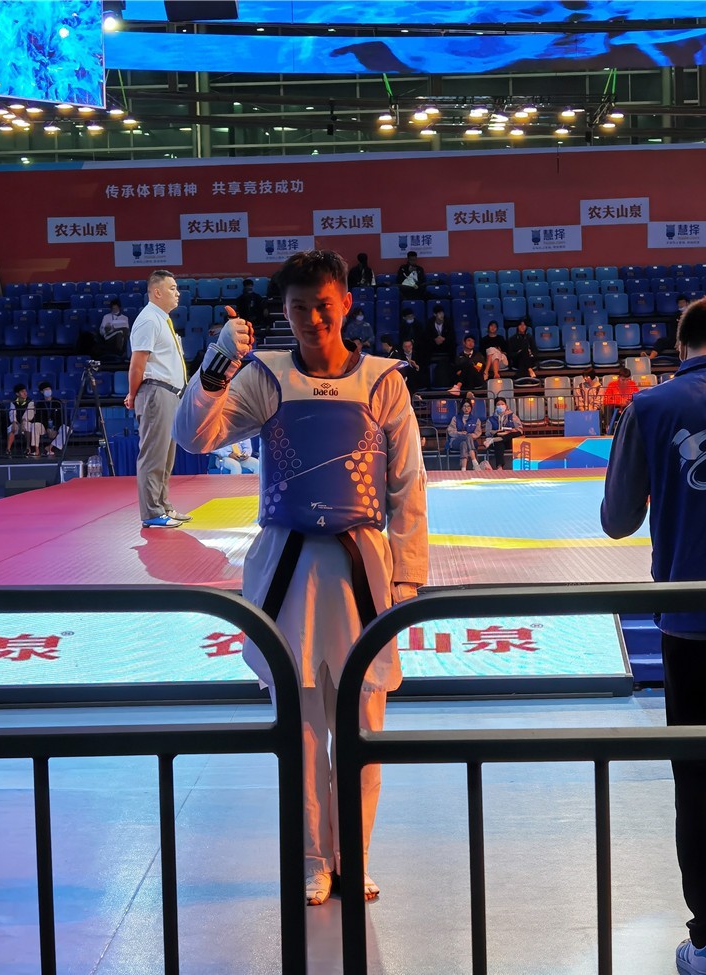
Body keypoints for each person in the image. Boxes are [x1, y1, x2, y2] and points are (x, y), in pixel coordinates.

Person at [173, 249, 428, 907]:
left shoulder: (382, 381)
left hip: (362, 570)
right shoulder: (266, 378)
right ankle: (315, 859)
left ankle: (355, 856)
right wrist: (217, 364)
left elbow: (407, 482)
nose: (313, 319)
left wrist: (407, 581)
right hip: (288, 572)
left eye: (323, 305)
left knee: (363, 725)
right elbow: (195, 436)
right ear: (283, 313)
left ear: (345, 303)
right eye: (299, 308)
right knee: (304, 729)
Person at [600, 292, 706, 975]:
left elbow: (617, 520)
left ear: (682, 346)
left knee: (699, 783)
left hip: (690, 625)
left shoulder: (649, 407)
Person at [124, 269, 190, 529]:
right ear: (157, 292)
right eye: (172, 288)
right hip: (156, 392)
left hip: (170, 393)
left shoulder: (162, 320)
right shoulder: (149, 320)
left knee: (166, 456)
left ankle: (163, 506)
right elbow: (137, 364)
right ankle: (152, 512)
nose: (177, 293)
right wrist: (132, 394)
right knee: (153, 455)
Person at [30, 381, 68, 457]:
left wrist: (55, 429)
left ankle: (50, 447)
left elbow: (61, 417)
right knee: (35, 425)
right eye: (46, 389)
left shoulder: (57, 402)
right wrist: (47, 428)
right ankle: (35, 449)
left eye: (49, 389)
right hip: (44, 426)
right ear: (42, 392)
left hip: (56, 426)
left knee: (67, 429)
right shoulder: (40, 404)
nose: (48, 391)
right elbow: (39, 418)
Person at [484, 396, 523, 470]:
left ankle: (494, 439)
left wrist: (510, 431)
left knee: (515, 433)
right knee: (499, 441)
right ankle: (499, 466)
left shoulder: (512, 416)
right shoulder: (491, 419)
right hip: (496, 443)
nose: (500, 406)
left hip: (510, 441)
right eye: (498, 405)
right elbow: (487, 433)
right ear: (495, 407)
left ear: (506, 405)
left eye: (502, 404)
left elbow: (520, 430)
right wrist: (496, 432)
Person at [446, 398, 482, 471]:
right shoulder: (455, 418)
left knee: (464, 443)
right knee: (467, 437)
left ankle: (463, 468)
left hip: (471, 442)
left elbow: (478, 433)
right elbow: (451, 431)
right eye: (464, 406)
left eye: (468, 406)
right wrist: (460, 434)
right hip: (456, 441)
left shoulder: (476, 420)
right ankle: (474, 462)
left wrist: (471, 436)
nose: (466, 408)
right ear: (461, 407)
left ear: (471, 408)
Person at [602, 367, 639, 433]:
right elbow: (606, 400)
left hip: (628, 407)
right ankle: (608, 428)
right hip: (615, 409)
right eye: (623, 380)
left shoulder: (632, 384)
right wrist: (619, 402)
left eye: (628, 380)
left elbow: (637, 397)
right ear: (618, 378)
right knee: (607, 406)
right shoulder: (611, 385)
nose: (625, 382)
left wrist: (629, 402)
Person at [6, 383, 34, 456]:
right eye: (22, 391)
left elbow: (29, 412)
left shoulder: (30, 401)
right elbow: (12, 412)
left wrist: (23, 421)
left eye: (25, 391)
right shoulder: (14, 402)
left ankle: (28, 448)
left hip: (26, 422)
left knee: (28, 426)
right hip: (17, 422)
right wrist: (14, 422)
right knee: (11, 428)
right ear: (17, 394)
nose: (25, 393)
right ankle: (8, 449)